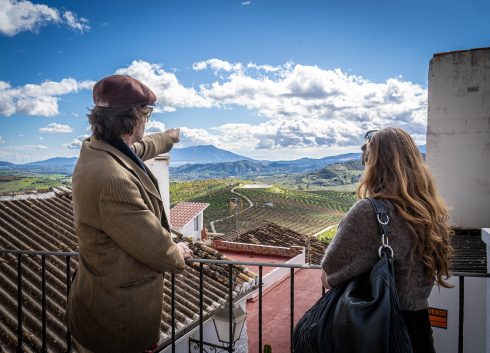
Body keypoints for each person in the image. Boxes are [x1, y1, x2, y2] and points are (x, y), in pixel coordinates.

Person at [67, 75, 193, 353]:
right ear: (133, 117)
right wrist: (179, 251)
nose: (147, 120)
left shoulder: (95, 150)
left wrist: (167, 139)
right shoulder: (114, 181)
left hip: (95, 303)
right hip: (115, 323)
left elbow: (137, 149)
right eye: (146, 114)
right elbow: (158, 249)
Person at [321, 127, 453, 353]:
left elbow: (328, 277)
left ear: (373, 165)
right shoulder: (430, 212)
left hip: (377, 333)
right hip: (420, 332)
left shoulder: (369, 212)